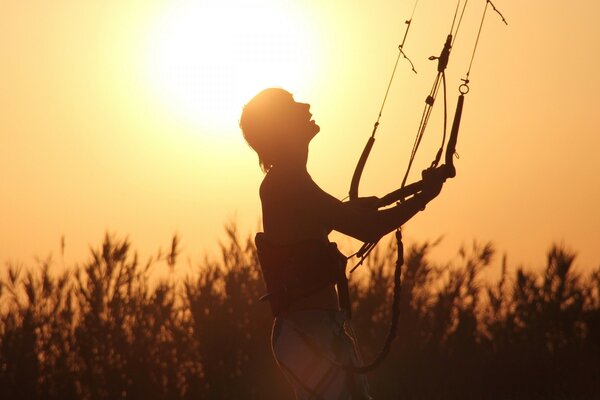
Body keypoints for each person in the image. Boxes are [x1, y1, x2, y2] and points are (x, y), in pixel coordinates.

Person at [240, 88, 446, 399]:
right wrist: (425, 197)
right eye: (291, 105)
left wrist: (409, 196)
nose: (305, 105)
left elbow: (341, 216)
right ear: (279, 126)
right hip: (307, 332)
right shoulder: (285, 182)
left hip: (317, 331)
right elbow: (366, 227)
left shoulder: (292, 180)